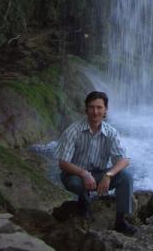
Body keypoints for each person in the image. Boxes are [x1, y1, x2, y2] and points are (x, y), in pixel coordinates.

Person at [55, 91, 136, 235]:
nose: (95, 111)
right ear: (86, 109)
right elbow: (63, 163)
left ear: (105, 110)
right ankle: (83, 201)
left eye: (99, 107)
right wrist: (84, 174)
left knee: (126, 177)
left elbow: (124, 160)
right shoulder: (73, 131)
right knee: (75, 183)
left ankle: (120, 220)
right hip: (75, 174)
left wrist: (109, 175)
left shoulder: (111, 132)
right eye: (91, 107)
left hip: (99, 174)